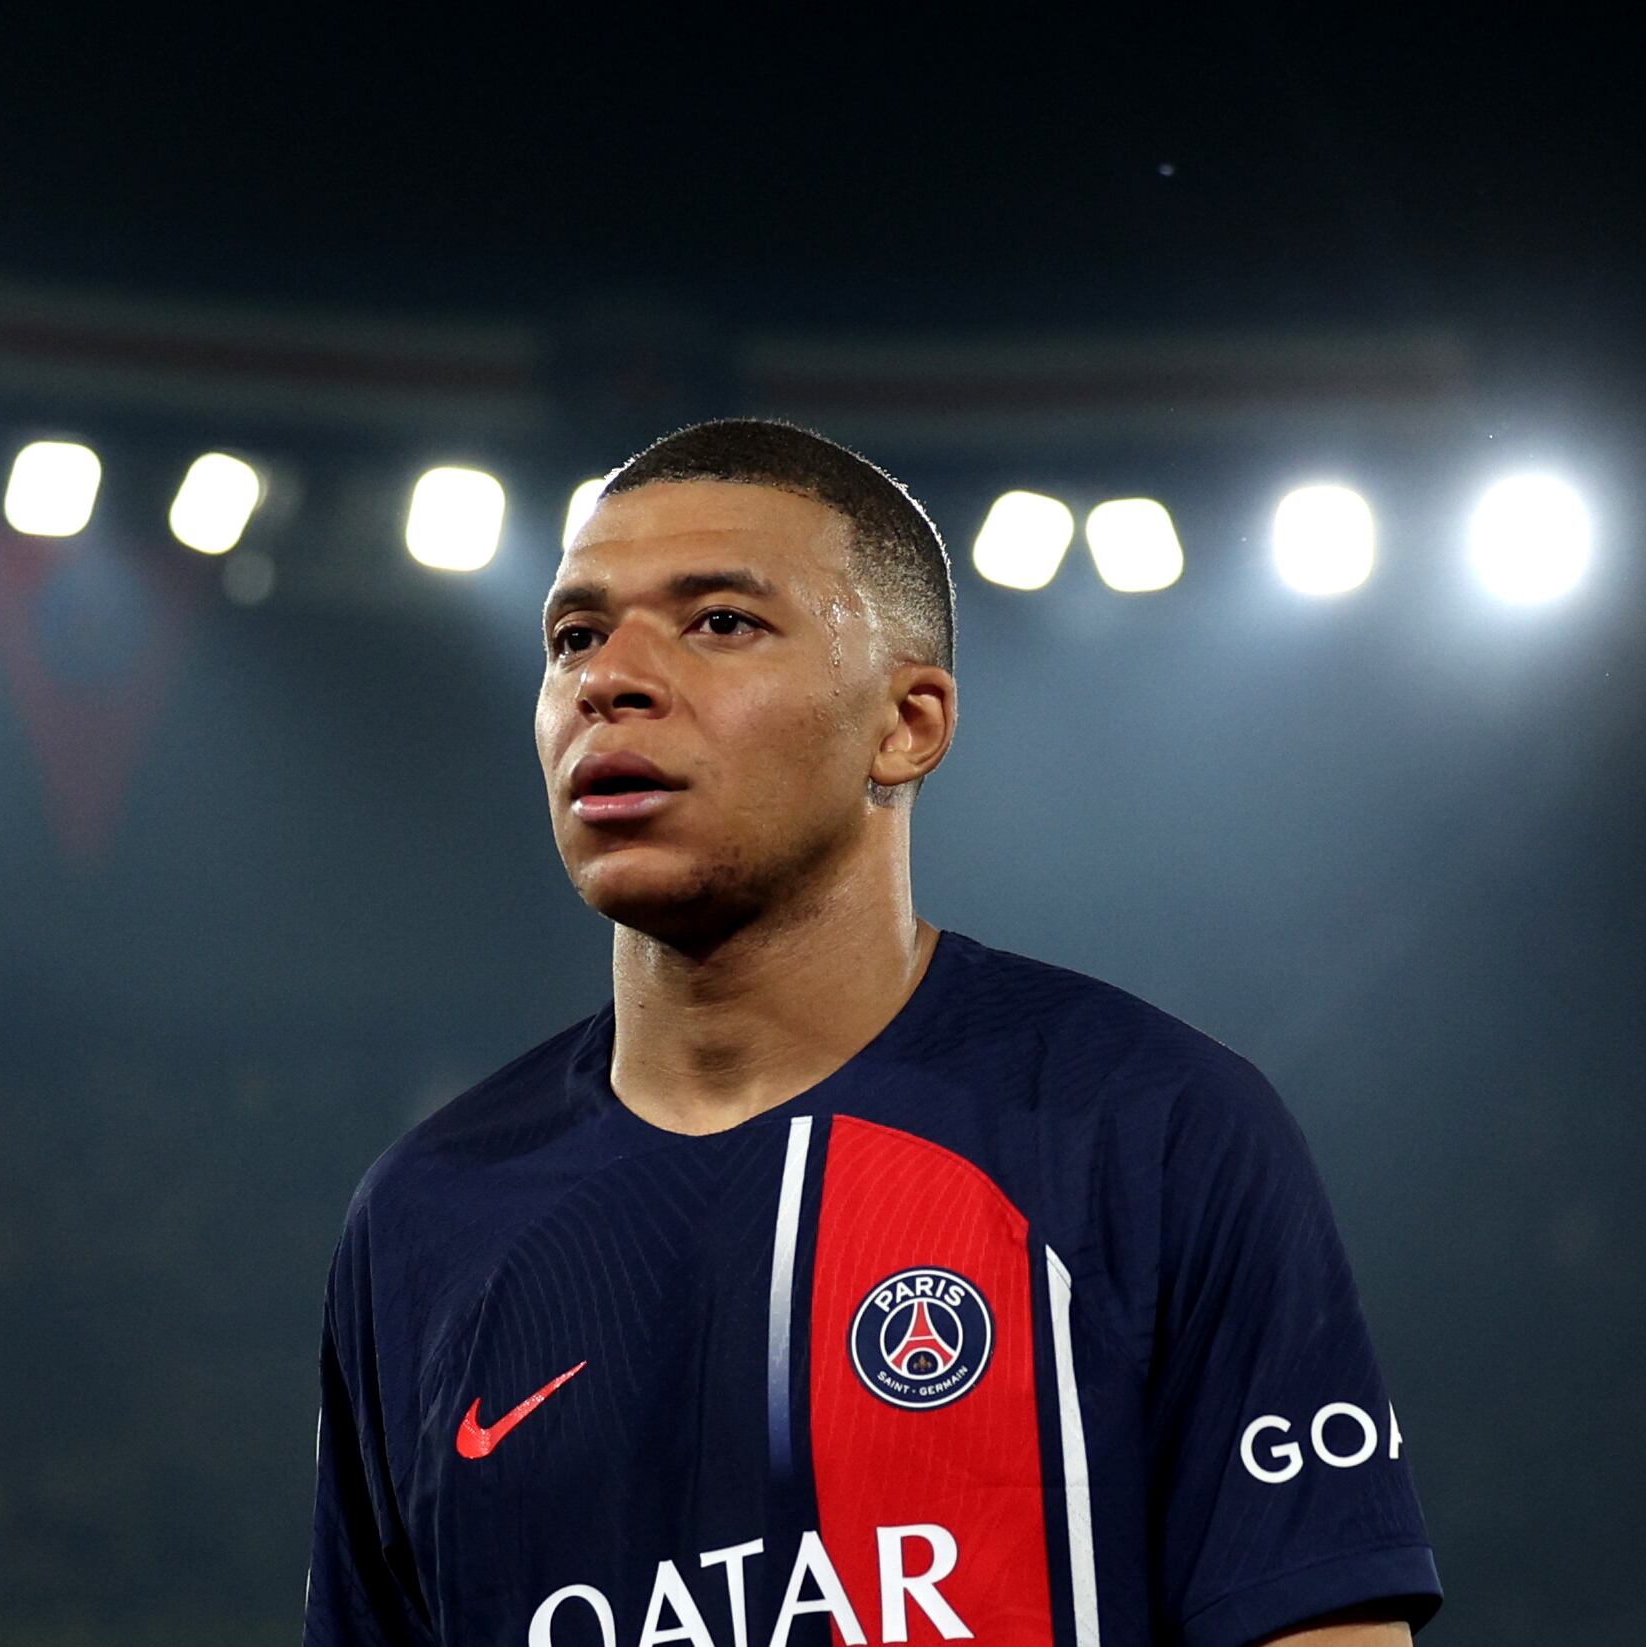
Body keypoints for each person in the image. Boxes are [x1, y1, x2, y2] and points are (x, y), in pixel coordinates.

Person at [302, 420, 1440, 1647]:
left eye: (720, 622)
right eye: (574, 635)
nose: (607, 677)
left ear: (906, 724)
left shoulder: (1151, 1126)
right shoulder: (425, 1216)